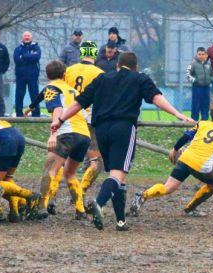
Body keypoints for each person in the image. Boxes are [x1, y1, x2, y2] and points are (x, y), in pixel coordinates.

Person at [51, 52, 194, 231]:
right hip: (123, 128)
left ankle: (120, 221)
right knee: (117, 174)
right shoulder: (139, 78)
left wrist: (60, 119)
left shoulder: (102, 78)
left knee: (116, 176)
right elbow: (156, 98)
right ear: (136, 66)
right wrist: (177, 113)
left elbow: (79, 103)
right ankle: (99, 202)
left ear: (117, 65)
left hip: (101, 130)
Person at [130, 100, 213, 218]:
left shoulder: (203, 123)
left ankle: (142, 195)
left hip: (185, 158)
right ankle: (189, 210)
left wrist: (175, 149)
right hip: (201, 166)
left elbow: (187, 136)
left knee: (168, 187)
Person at [38, 60, 91, 220]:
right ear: (64, 74)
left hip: (66, 133)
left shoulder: (51, 88)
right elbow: (84, 114)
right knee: (70, 174)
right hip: (83, 135)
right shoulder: (72, 91)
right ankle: (80, 210)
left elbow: (57, 109)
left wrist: (53, 134)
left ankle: (40, 208)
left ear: (47, 75)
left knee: (49, 170)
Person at [13, 31, 41, 117]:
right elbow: (17, 60)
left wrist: (23, 56)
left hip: (33, 76)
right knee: (19, 96)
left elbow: (36, 57)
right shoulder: (18, 49)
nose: (27, 37)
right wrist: (29, 56)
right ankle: (19, 115)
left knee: (35, 97)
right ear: (22, 37)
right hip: (20, 77)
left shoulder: (36, 48)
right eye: (25, 36)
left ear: (31, 37)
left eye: (28, 36)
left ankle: (36, 115)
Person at [187, 47, 213, 121]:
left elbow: (212, 75)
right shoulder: (192, 64)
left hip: (206, 88)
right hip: (196, 88)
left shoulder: (208, 65)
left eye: (202, 54)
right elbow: (188, 75)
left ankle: (204, 123)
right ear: (197, 54)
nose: (201, 56)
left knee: (205, 106)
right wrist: (195, 80)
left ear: (205, 55)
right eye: (199, 54)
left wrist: (210, 80)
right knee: (196, 106)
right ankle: (194, 124)